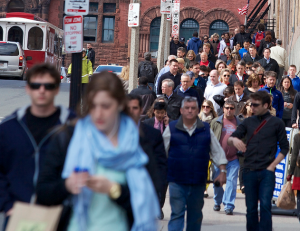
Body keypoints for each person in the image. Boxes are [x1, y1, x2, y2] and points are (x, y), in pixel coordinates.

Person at [36, 73, 160, 231]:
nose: (98, 113)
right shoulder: (69, 137)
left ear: (120, 105)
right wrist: (66, 185)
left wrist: (114, 189)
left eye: (106, 106)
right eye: (93, 106)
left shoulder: (136, 143)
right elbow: (43, 192)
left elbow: (149, 198)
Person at [0, 63, 76, 230]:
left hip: (61, 216)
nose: (42, 90)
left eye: (48, 86)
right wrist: (7, 205)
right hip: (18, 214)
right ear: (28, 89)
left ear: (57, 89)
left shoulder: (74, 126)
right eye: (36, 85)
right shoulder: (9, 127)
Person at [228, 90, 289, 231]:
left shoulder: (277, 123)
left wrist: (273, 166)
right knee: (251, 209)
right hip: (249, 171)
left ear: (266, 105)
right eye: (251, 104)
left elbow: (285, 148)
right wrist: (235, 140)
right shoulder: (248, 122)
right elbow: (231, 138)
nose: (252, 107)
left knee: (266, 206)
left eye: (255, 105)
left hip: (267, 171)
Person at [163, 97, 228, 231]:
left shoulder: (205, 129)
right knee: (177, 215)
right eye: (187, 108)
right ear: (181, 110)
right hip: (177, 181)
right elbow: (161, 153)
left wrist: (222, 171)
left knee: (195, 216)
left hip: (198, 182)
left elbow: (217, 151)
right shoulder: (172, 128)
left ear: (198, 110)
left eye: (193, 108)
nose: (190, 111)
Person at [127, 94, 168, 220]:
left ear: (140, 110)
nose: (131, 111)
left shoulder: (152, 134)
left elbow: (160, 162)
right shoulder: (112, 131)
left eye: (134, 108)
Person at [210, 100, 241, 215]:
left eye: (232, 108)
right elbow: (210, 139)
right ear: (223, 109)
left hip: (234, 158)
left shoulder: (240, 123)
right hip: (218, 159)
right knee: (217, 182)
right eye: (227, 108)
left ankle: (229, 205)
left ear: (235, 109)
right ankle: (217, 201)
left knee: (232, 181)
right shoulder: (215, 122)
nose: (229, 110)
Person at [286, 133, 300, 223]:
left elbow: (294, 155)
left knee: (299, 197)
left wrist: (290, 173)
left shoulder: (297, 137)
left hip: (299, 172)